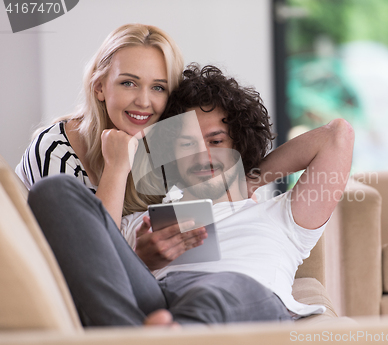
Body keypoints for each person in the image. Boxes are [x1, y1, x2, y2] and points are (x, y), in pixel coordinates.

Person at [27, 65, 354, 326]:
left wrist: (249, 180)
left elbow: (337, 136)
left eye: (215, 141)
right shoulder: (142, 221)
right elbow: (97, 259)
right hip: (157, 301)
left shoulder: (284, 217)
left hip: (238, 299)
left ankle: (168, 333)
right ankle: (146, 334)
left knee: (217, 291)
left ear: (239, 145)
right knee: (53, 191)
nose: (201, 156)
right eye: (186, 144)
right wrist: (142, 260)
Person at [15, 23, 207, 266]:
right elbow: (89, 263)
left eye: (158, 87)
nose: (144, 101)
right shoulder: (56, 149)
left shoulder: (162, 146)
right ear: (100, 88)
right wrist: (116, 168)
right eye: (129, 83)